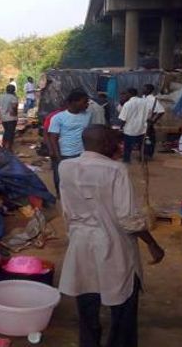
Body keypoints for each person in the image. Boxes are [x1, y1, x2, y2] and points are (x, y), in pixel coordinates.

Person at [59, 125, 165, 347]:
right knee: (123, 298)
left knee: (87, 294)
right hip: (113, 243)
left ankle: (89, 342)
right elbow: (128, 219)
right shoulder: (116, 170)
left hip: (80, 241)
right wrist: (152, 244)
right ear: (107, 144)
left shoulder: (65, 167)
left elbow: (67, 210)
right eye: (116, 141)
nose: (119, 145)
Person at [48, 90, 91, 195]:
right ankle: (61, 195)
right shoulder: (58, 118)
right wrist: (58, 157)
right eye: (84, 102)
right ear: (74, 102)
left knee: (78, 177)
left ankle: (75, 196)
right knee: (61, 178)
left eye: (87, 102)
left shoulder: (88, 115)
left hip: (81, 153)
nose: (87, 104)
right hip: (64, 154)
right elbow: (53, 138)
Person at [118, 85, 164, 163]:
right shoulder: (144, 102)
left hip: (130, 130)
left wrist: (121, 128)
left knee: (128, 146)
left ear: (129, 94)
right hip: (142, 129)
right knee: (141, 145)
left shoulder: (128, 104)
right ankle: (142, 158)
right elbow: (149, 113)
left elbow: (123, 119)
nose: (125, 95)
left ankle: (126, 160)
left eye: (126, 94)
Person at [0, 84, 19, 153]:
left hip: (3, 118)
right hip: (11, 118)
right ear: (14, 90)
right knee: (11, 132)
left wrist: (1, 113)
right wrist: (15, 115)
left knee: (6, 131)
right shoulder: (13, 97)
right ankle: (9, 147)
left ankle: (4, 145)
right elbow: (14, 107)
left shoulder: (0, 96)